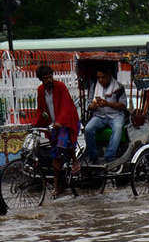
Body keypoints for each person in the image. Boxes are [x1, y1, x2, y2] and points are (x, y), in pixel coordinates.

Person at [34, 65, 80, 196]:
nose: (49, 80)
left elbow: (66, 106)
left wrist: (60, 122)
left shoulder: (60, 87)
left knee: (60, 147)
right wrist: (36, 124)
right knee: (56, 155)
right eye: (45, 78)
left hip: (67, 121)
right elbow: (41, 110)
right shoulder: (40, 90)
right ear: (41, 79)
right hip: (54, 125)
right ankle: (58, 185)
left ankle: (75, 162)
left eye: (50, 76)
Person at [84, 69, 127, 165]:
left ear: (109, 76)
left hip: (115, 115)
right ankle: (93, 156)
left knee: (118, 128)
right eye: (98, 77)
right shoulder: (94, 86)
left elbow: (123, 105)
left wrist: (108, 104)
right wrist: (93, 106)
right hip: (99, 115)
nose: (100, 80)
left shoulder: (118, 87)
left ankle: (109, 156)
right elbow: (89, 104)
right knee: (88, 129)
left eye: (103, 77)